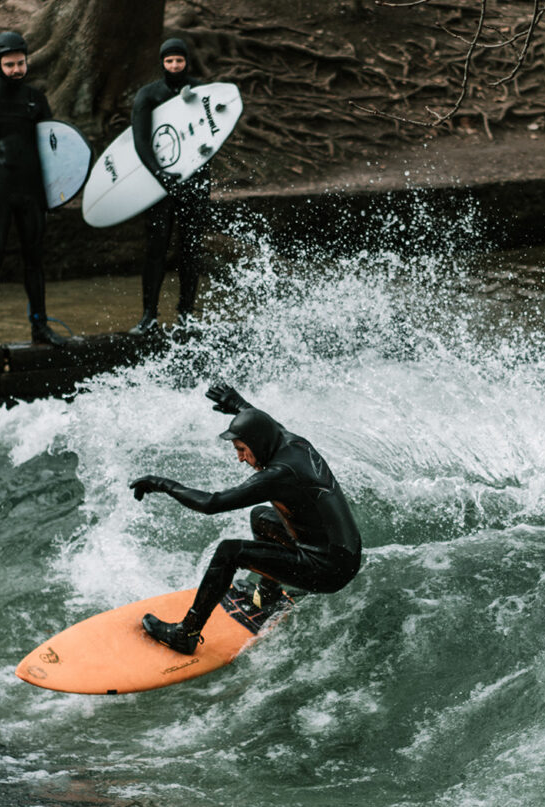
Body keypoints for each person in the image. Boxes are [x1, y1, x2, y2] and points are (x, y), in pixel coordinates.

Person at [128, 384, 363, 654]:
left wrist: (162, 484)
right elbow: (267, 424)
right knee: (261, 517)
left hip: (328, 569)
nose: (240, 458)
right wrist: (238, 405)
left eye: (242, 449)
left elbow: (211, 504)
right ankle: (268, 595)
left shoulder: (279, 474)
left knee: (230, 552)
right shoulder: (290, 441)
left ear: (258, 443)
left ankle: (186, 633)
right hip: (343, 552)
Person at [0, 31, 66, 353]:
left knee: (34, 260)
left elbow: (52, 147)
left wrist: (56, 192)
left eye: (21, 63)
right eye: (9, 65)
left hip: (31, 192)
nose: (16, 70)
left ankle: (40, 326)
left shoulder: (36, 99)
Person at [128, 37, 212, 338]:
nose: (175, 66)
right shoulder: (149, 95)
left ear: (186, 62)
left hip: (195, 181)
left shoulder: (201, 91)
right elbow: (141, 141)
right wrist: (159, 175)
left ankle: (186, 315)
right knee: (156, 249)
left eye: (179, 60)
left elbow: (214, 131)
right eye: (169, 61)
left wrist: (206, 151)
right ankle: (148, 316)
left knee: (191, 249)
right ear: (162, 63)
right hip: (159, 185)